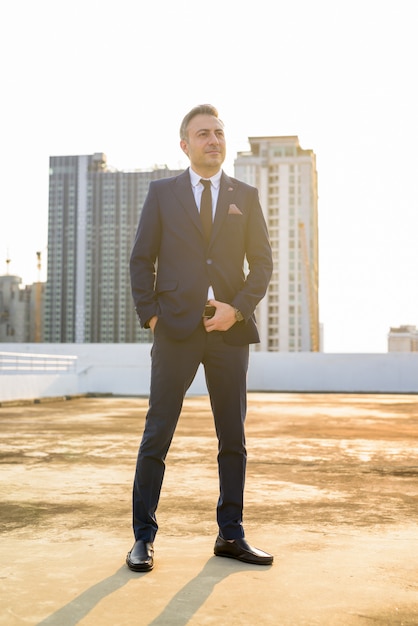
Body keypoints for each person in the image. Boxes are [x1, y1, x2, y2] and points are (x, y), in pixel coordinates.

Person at [127, 104, 273, 572]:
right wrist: (152, 317)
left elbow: (263, 264)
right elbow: (140, 259)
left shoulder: (244, 196)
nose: (213, 140)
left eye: (219, 133)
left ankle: (231, 534)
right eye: (203, 134)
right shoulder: (162, 193)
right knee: (157, 435)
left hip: (228, 331)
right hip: (174, 329)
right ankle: (142, 539)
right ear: (184, 144)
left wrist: (238, 309)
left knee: (233, 436)